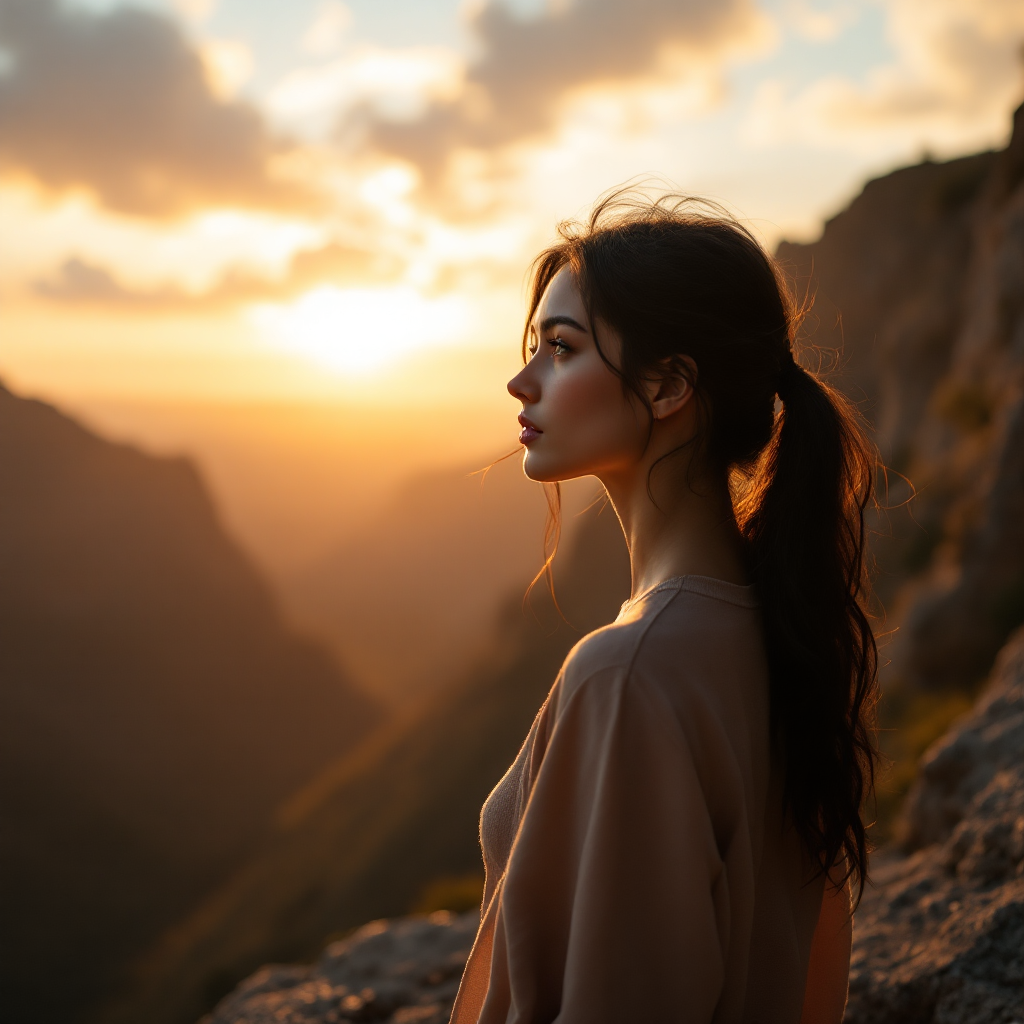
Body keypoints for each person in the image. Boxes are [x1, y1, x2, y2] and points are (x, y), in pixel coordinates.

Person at [449, 192, 879, 1024]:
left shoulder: (630, 672)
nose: (521, 380)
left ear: (671, 382)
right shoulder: (773, 626)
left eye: (562, 350)